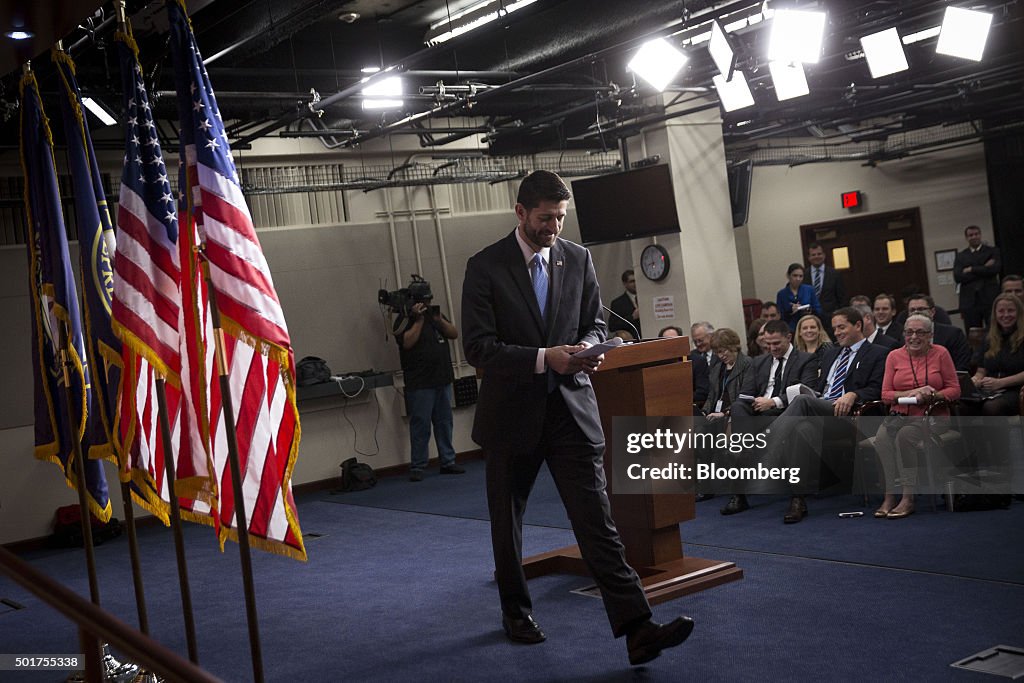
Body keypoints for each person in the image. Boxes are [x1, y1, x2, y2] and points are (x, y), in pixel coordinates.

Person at [461, 170, 692, 664]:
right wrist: (548, 357)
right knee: (508, 523)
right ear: (520, 212)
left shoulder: (579, 258)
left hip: (570, 411)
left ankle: (637, 628)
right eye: (545, 218)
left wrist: (588, 347)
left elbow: (595, 321)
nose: (554, 228)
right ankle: (516, 614)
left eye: (561, 218)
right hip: (511, 417)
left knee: (598, 524)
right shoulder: (484, 267)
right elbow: (478, 348)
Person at [760, 307, 888, 523]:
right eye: (834, 328)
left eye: (842, 327)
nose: (836, 332)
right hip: (822, 412)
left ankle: (767, 441)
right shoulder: (831, 354)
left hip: (850, 416)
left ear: (858, 325)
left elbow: (878, 389)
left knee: (801, 401)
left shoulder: (878, 353)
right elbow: (821, 388)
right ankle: (798, 499)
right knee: (801, 428)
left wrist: (853, 394)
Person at [724, 319, 819, 515]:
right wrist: (757, 401)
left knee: (797, 431)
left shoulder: (805, 360)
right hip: (757, 413)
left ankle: (797, 499)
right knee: (737, 407)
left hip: (787, 413)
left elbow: (807, 393)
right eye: (768, 344)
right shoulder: (759, 362)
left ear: (789, 338)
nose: (772, 348)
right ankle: (740, 491)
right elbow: (746, 392)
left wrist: (774, 401)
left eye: (777, 343)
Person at [873, 314, 960, 519]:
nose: (914, 337)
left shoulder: (941, 353)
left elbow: (955, 390)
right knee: (882, 439)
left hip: (933, 416)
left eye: (920, 332)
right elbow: (885, 395)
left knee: (905, 437)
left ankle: (908, 496)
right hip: (900, 415)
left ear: (930, 335)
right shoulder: (894, 356)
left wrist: (932, 395)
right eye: (909, 332)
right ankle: (889, 495)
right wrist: (910, 393)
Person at [396, 291, 464, 482]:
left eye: (428, 300)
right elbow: (407, 342)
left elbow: (453, 333)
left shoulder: (435, 315)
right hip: (420, 382)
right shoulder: (404, 319)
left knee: (444, 423)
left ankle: (448, 461)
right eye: (423, 301)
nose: (426, 303)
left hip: (442, 378)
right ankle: (418, 466)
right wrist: (417, 321)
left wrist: (438, 320)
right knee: (421, 425)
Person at [695, 328, 753, 502]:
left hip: (734, 414)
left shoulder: (747, 364)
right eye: (717, 352)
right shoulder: (717, 368)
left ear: (734, 346)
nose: (721, 355)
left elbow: (745, 396)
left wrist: (724, 413)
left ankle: (737, 490)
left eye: (723, 351)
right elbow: (712, 396)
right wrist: (704, 411)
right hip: (715, 413)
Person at [971, 293, 1024, 416]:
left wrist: (1001, 383)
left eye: (1010, 311)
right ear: (995, 314)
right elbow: (981, 369)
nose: (1005, 315)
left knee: (992, 407)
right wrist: (976, 379)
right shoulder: (989, 337)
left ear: (1019, 313)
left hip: (1016, 389)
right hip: (989, 388)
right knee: (962, 405)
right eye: (1001, 311)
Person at [904, 294, 971, 372]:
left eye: (921, 309)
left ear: (932, 312)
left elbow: (961, 367)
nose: (916, 313)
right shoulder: (904, 336)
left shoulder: (953, 334)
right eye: (912, 310)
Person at [954, 225, 1001, 331]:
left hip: (990, 298)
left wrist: (971, 269)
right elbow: (958, 277)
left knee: (995, 330)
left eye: (976, 234)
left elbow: (995, 269)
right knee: (973, 333)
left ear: (980, 235)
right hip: (970, 301)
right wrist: (984, 268)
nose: (974, 237)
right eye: (971, 235)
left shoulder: (992, 251)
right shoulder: (961, 256)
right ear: (966, 238)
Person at [806, 242, 845, 324]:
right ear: (809, 257)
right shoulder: (803, 275)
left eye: (819, 254)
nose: (816, 256)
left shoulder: (835, 274)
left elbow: (842, 298)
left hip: (831, 319)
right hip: (810, 319)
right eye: (813, 255)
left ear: (824, 255)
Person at [776, 263, 821, 332]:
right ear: (788, 276)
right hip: (791, 328)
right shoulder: (782, 294)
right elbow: (780, 316)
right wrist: (790, 310)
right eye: (795, 276)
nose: (798, 279)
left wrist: (809, 310)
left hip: (808, 325)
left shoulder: (809, 290)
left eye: (801, 276)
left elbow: (818, 309)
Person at [688, 321, 716, 406]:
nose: (698, 344)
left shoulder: (722, 354)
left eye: (700, 340)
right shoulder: (691, 357)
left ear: (711, 336)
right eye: (695, 341)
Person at [609, 269, 641, 339]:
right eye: (632, 281)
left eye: (636, 280)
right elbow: (612, 326)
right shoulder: (617, 303)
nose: (635, 284)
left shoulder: (645, 298)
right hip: (631, 339)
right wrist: (632, 317)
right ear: (625, 284)